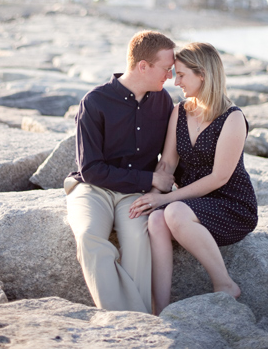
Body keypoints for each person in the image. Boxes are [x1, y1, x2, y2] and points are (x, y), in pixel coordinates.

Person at [129, 42, 258, 315]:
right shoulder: (181, 111)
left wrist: (166, 198)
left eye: (182, 74)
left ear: (203, 74)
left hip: (230, 205)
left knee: (172, 211)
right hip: (191, 204)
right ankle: (159, 308)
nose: (176, 82)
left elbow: (219, 178)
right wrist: (151, 195)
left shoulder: (232, 118)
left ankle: (224, 284)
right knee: (155, 218)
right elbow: (167, 164)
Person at [64, 30, 176, 313]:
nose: (171, 76)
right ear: (143, 66)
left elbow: (171, 156)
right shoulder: (95, 102)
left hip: (134, 194)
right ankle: (126, 321)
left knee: (138, 241)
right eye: (166, 68)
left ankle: (135, 321)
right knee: (89, 236)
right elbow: (90, 169)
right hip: (92, 189)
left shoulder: (163, 101)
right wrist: (151, 178)